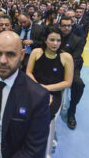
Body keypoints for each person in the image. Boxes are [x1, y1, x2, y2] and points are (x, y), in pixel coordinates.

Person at [26, 26, 73, 157]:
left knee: (44, 113)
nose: (55, 43)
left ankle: (41, 148)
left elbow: (67, 82)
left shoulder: (66, 57)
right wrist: (37, 87)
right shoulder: (36, 52)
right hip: (34, 88)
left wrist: (46, 89)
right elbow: (28, 72)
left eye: (58, 40)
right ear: (45, 40)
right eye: (52, 40)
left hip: (53, 92)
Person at [58, 17, 85, 129]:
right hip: (53, 65)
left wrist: (64, 59)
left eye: (69, 25)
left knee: (78, 84)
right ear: (60, 26)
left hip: (71, 68)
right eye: (64, 25)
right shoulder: (55, 36)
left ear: (72, 26)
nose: (66, 28)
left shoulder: (77, 40)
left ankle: (72, 110)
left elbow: (76, 59)